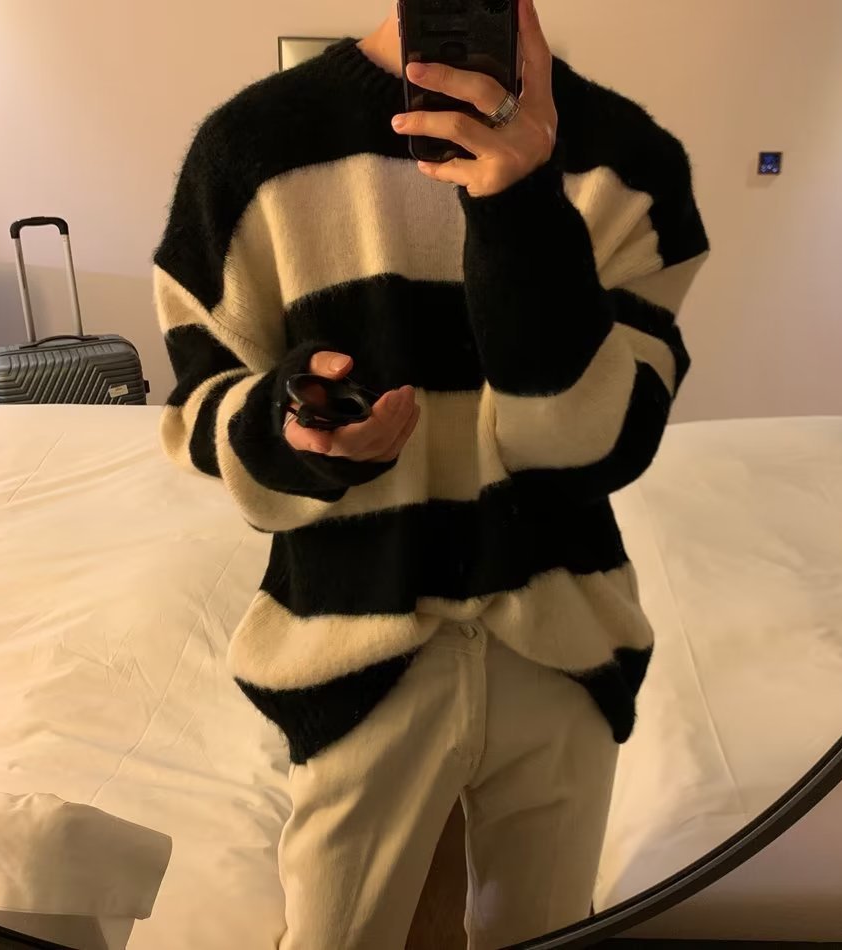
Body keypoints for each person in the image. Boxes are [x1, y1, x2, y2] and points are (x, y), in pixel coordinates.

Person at [153, 1, 708, 947]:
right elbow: (201, 404)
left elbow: (592, 448)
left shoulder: (631, 164)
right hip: (350, 641)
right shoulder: (252, 149)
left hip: (563, 640)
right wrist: (295, 428)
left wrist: (522, 210)